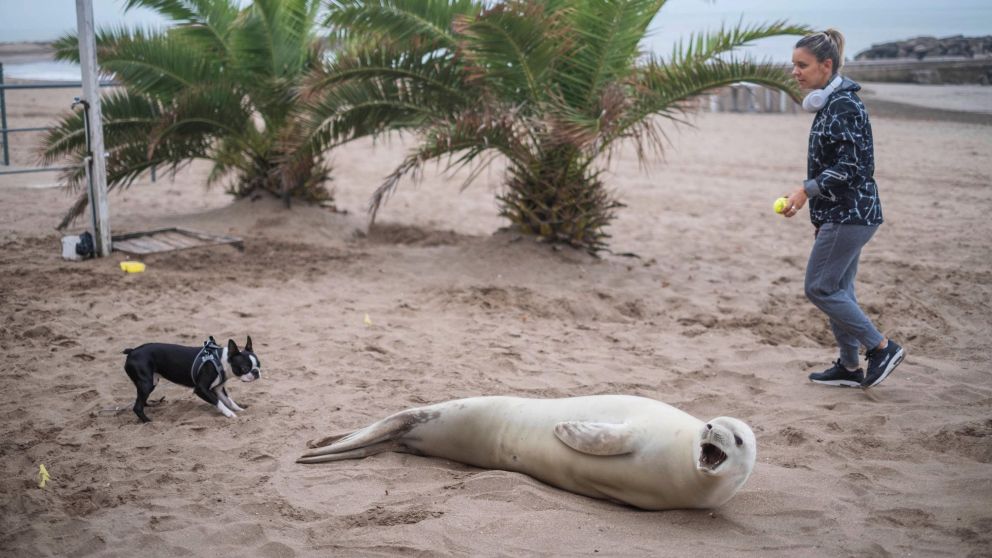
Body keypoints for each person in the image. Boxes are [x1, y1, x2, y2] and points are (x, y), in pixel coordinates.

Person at [782, 29, 905, 388]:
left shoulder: (844, 105)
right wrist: (819, 216)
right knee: (838, 288)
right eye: (793, 65)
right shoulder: (831, 104)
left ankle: (881, 347)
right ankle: (850, 367)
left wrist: (806, 191)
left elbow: (852, 166)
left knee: (820, 288)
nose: (795, 72)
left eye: (802, 65)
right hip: (842, 214)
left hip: (851, 213)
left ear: (827, 65)